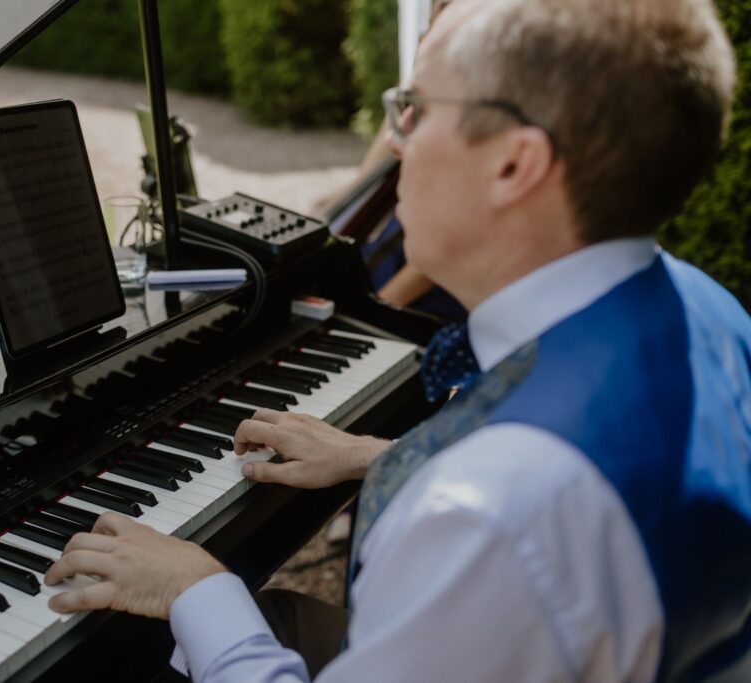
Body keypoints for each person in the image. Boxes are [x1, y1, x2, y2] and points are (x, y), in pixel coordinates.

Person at [43, 0, 751, 680]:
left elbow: (518, 517)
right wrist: (383, 455)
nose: (395, 144)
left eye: (415, 110)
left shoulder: (487, 511)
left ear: (513, 164)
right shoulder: (716, 316)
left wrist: (197, 587)